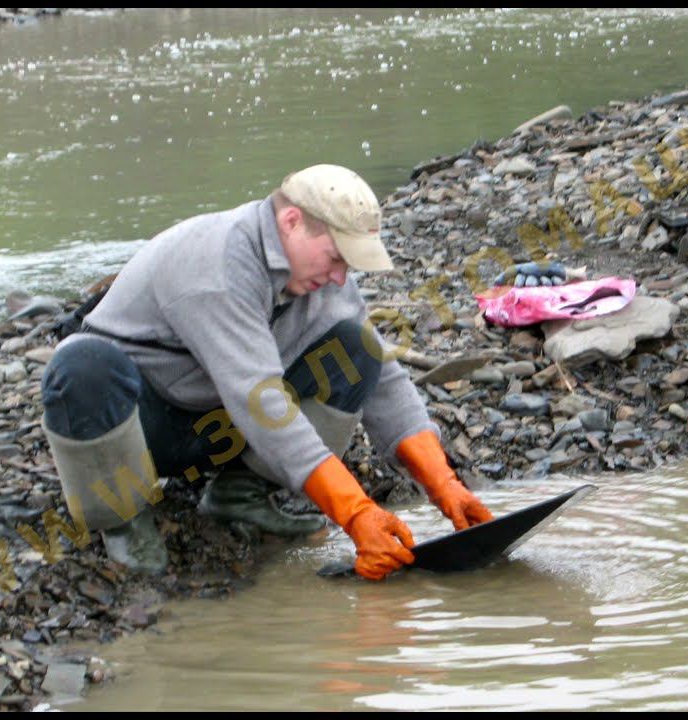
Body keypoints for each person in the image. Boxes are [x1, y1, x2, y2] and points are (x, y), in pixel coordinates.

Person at [39, 164, 494, 581]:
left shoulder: (317, 274)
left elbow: (386, 381)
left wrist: (443, 483)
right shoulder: (217, 265)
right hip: (143, 432)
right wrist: (356, 515)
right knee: (82, 365)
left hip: (224, 426)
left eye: (348, 264)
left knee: (357, 348)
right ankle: (123, 522)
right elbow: (259, 400)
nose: (340, 277)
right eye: (336, 257)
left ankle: (240, 495)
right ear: (291, 222)